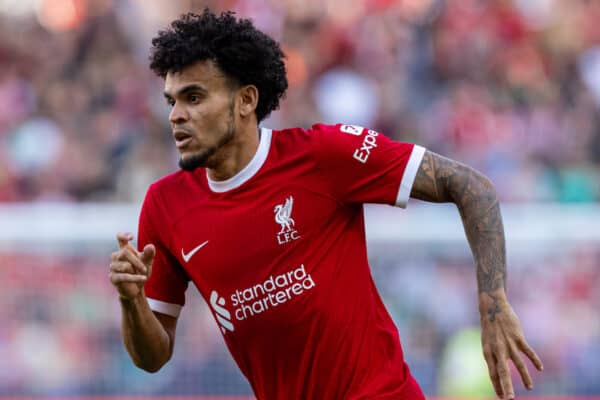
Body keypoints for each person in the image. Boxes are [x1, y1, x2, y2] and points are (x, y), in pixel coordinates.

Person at [109, 9, 543, 400]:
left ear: (245, 100)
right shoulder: (164, 205)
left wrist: (494, 305)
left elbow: (471, 186)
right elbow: (152, 357)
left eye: (194, 97)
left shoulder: (322, 156)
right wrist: (132, 303)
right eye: (172, 100)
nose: (175, 115)